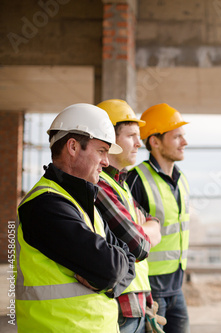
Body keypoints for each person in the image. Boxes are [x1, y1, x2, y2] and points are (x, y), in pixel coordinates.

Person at [15, 103, 136, 332]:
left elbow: (128, 260)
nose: (106, 162)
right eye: (101, 151)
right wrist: (109, 275)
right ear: (72, 147)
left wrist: (109, 281)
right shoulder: (44, 206)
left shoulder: (82, 202)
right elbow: (110, 268)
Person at [95, 99, 162, 332]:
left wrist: (147, 228)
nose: (138, 144)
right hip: (121, 309)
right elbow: (138, 244)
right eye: (132, 135)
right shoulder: (100, 185)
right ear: (110, 139)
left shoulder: (120, 184)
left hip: (139, 303)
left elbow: (155, 224)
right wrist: (146, 230)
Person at [126, 103, 190, 333]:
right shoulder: (135, 180)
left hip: (176, 286)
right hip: (150, 290)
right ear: (155, 141)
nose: (185, 142)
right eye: (177, 137)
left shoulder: (181, 179)